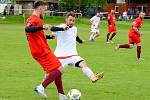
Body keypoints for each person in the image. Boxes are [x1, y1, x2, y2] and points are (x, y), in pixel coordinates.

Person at [25, 1, 68, 99]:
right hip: (41, 50)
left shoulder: (36, 20)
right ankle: (41, 87)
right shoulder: (33, 19)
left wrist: (49, 36)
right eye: (44, 9)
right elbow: (27, 29)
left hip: (40, 50)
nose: (45, 11)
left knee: (56, 70)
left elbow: (33, 36)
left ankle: (62, 95)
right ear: (40, 8)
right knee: (60, 69)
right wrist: (42, 27)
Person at [50, 12, 104, 83]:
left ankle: (93, 77)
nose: (72, 22)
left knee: (83, 64)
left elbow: (75, 36)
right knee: (51, 74)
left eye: (73, 20)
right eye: (70, 20)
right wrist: (62, 29)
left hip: (73, 55)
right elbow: (52, 29)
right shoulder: (61, 26)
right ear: (66, 20)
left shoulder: (75, 28)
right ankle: (41, 86)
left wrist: (81, 41)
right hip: (61, 56)